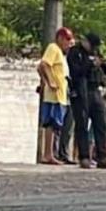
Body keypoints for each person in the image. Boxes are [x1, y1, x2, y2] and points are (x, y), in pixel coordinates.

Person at [67, 32, 106, 169]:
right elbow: (76, 72)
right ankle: (84, 156)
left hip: (95, 90)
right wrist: (91, 64)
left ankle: (103, 156)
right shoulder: (75, 52)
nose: (93, 49)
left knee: (101, 123)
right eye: (91, 45)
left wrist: (102, 64)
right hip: (81, 90)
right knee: (82, 124)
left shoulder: (96, 53)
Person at [38, 27, 74, 165]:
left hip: (59, 94)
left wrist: (44, 82)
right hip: (55, 94)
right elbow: (44, 65)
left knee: (54, 124)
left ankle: (49, 154)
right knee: (52, 124)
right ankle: (48, 154)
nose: (67, 43)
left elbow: (40, 68)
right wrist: (50, 82)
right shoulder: (53, 48)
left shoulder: (60, 53)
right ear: (60, 38)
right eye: (66, 40)